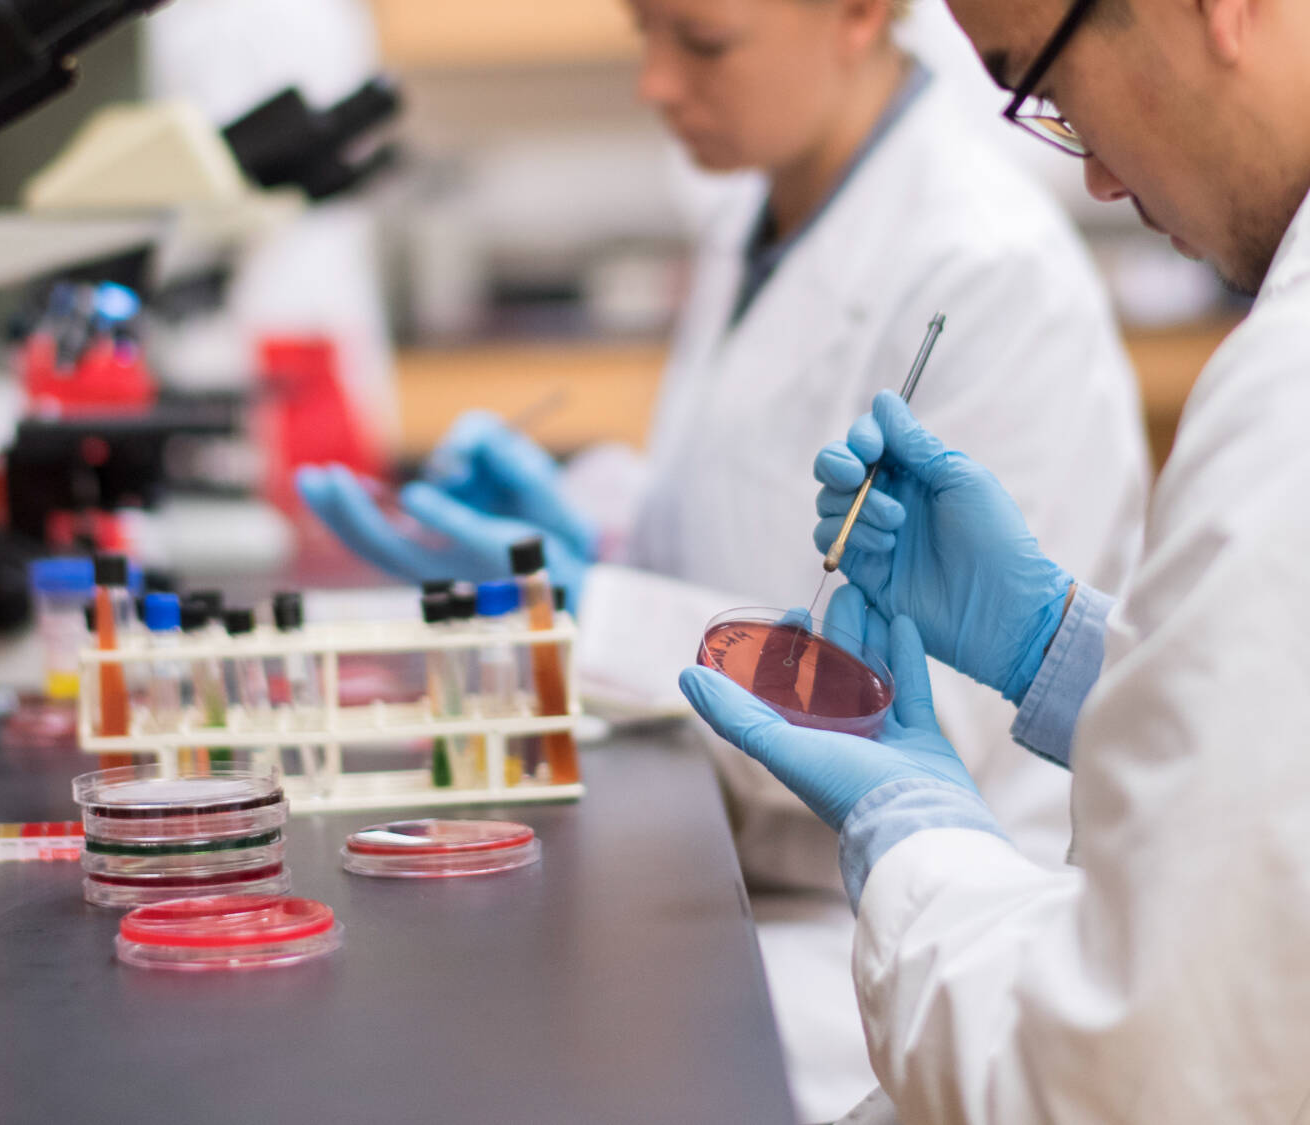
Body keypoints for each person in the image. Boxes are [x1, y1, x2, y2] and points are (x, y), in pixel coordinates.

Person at [298, 0, 1150, 1117]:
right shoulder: (762, 207)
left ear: (859, 13)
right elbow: (739, 507)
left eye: (700, 42)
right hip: (744, 865)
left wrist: (599, 608)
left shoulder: (989, 272)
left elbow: (925, 708)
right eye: (641, 32)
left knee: (491, 1042)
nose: (655, 83)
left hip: (899, 919)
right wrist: (593, 532)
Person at [680, 0, 1310, 1118]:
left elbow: (1123, 1071)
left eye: (1049, 89)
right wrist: (1059, 650)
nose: (1095, 180)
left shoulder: (1285, 397)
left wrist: (912, 836)